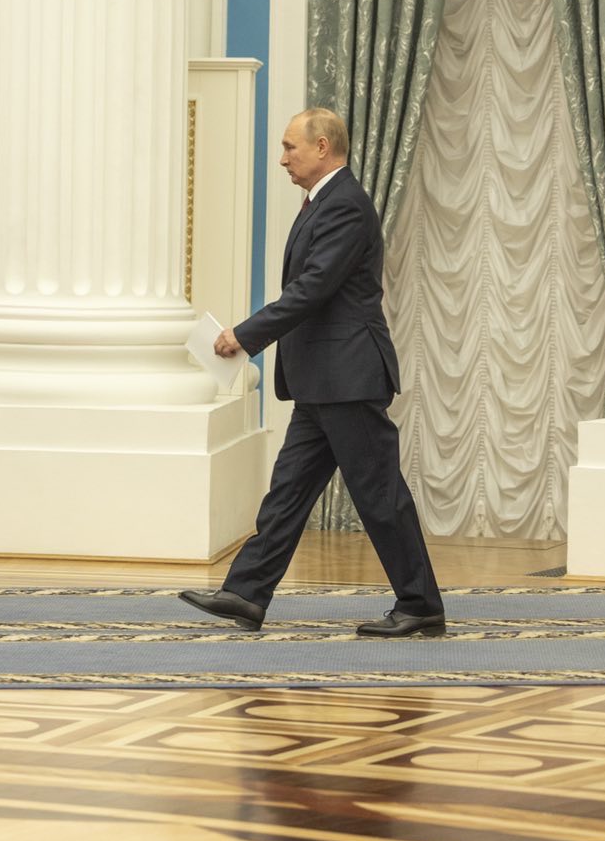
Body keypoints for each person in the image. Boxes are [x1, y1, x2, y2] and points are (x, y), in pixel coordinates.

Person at [180, 108, 445, 638]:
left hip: (348, 377)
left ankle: (420, 605)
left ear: (322, 147)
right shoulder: (324, 202)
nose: (283, 159)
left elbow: (313, 288)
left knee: (379, 496)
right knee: (287, 493)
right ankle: (246, 594)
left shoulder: (345, 203)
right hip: (323, 380)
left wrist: (245, 335)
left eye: (290, 147)